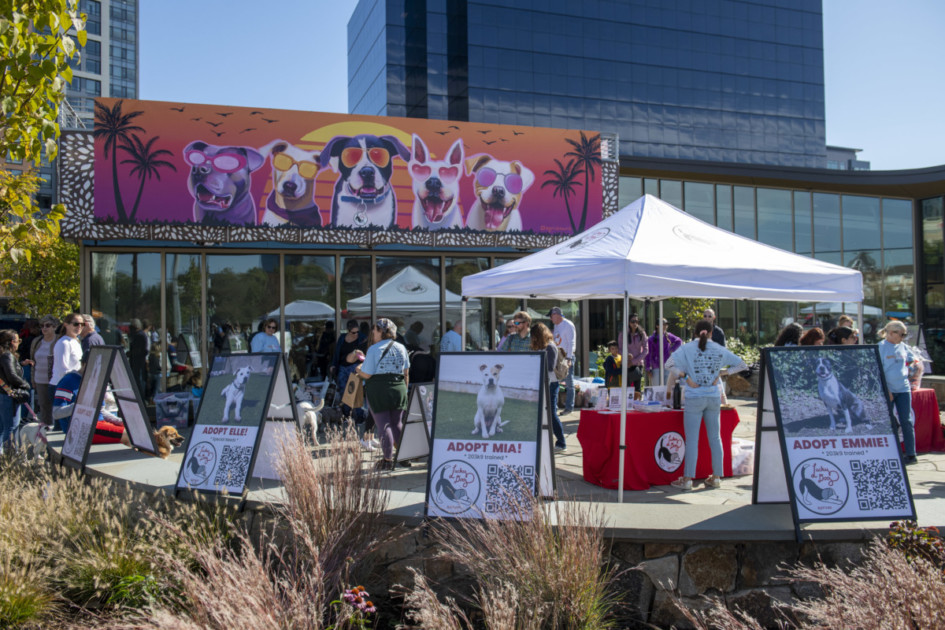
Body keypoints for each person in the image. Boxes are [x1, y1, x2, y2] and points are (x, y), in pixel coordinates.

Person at [668, 320, 747, 491]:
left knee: (692, 440)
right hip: (713, 396)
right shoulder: (719, 349)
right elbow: (742, 364)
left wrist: (685, 377)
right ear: (712, 333)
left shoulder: (687, 348)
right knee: (715, 438)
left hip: (694, 397)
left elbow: (669, 365)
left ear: (695, 333)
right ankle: (717, 477)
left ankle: (688, 478)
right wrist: (722, 373)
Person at [357, 318, 411, 471]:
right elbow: (406, 373)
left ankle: (387, 460)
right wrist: (404, 391)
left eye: (375, 330)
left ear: (381, 331)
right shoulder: (401, 348)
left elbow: (367, 375)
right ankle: (403, 456)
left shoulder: (374, 349)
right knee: (397, 423)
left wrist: (358, 371)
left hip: (379, 390)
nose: (373, 332)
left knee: (384, 425)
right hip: (399, 388)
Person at [879, 321, 921, 465]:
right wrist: (887, 389)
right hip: (888, 389)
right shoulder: (881, 347)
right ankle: (887, 452)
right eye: (901, 334)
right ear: (891, 333)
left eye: (905, 334)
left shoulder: (903, 346)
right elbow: (877, 371)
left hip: (903, 388)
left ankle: (911, 454)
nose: (903, 337)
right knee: (887, 422)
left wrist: (913, 366)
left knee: (906, 421)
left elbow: (913, 361)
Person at [531, 322, 566, 452]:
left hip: (551, 384)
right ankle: (546, 440)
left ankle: (561, 442)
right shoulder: (542, 347)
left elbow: (550, 367)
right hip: (543, 383)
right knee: (543, 413)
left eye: (534, 335)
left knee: (551, 413)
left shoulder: (550, 347)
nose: (532, 338)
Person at [0, 330, 30, 454]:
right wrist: (25, 385)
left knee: (3, 427)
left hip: (3, 393)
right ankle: (10, 456)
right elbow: (11, 375)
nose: (19, 343)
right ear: (12, 342)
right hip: (9, 395)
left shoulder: (3, 355)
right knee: (12, 427)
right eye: (18, 340)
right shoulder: (7, 355)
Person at [29, 315, 60, 426]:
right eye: (42, 326)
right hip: (40, 379)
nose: (44, 328)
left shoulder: (59, 340)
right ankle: (45, 430)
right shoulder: (36, 341)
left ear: (55, 327)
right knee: (43, 407)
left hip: (55, 379)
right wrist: (33, 379)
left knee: (56, 406)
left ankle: (57, 429)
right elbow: (33, 361)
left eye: (48, 325)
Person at [548, 306, 576, 414]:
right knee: (555, 381)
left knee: (569, 383)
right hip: (558, 356)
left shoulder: (568, 325)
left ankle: (569, 408)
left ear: (556, 314)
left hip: (567, 357)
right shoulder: (556, 325)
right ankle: (554, 408)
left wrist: (569, 358)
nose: (551, 319)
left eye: (551, 316)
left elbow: (571, 342)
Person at [617, 314, 647, 395]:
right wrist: (626, 355)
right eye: (633, 321)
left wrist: (634, 361)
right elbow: (619, 349)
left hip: (638, 364)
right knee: (627, 388)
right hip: (626, 364)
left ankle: (636, 405)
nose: (635, 323)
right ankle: (627, 406)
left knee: (637, 389)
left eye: (637, 321)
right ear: (628, 323)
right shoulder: (623, 334)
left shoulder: (642, 334)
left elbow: (645, 350)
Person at [645, 318, 681, 385]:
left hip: (667, 366)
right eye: (663, 324)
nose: (665, 326)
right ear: (657, 326)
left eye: (666, 324)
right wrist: (648, 367)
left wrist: (672, 349)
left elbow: (679, 341)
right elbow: (648, 354)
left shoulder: (669, 335)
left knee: (667, 388)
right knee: (656, 388)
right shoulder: (651, 339)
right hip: (656, 367)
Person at [52, 313, 84, 388]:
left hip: (72, 384)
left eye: (82, 324)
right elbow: (63, 370)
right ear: (66, 325)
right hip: (60, 385)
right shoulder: (64, 343)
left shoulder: (76, 341)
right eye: (76, 324)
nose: (79, 326)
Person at [128, 318, 150, 395]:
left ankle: (141, 397)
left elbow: (144, 350)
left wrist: (133, 353)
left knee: (139, 380)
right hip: (136, 361)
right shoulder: (138, 335)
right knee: (137, 379)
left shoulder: (140, 335)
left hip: (139, 362)